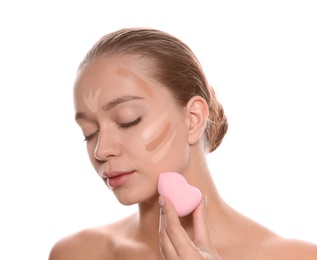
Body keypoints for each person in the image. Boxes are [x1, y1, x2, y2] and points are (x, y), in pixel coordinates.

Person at [49, 28, 317, 259]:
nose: (101, 150)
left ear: (193, 118)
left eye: (127, 120)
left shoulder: (297, 257)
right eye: (89, 132)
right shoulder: (75, 253)